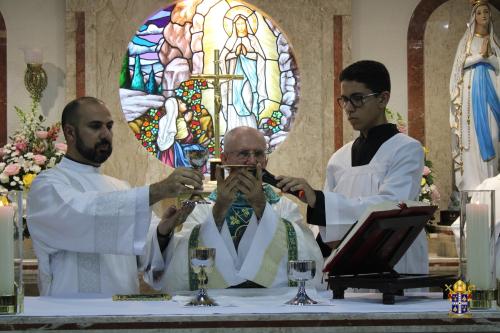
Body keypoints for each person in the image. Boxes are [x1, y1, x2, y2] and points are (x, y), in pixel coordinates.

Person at [27, 97, 204, 297]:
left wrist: (163, 230)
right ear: (70, 132)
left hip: (123, 310)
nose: (105, 134)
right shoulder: (48, 186)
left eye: (109, 126)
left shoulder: (120, 188)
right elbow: (84, 215)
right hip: (70, 314)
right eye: (95, 126)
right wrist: (156, 191)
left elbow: (143, 254)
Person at [277, 60, 427, 275]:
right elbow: (328, 224)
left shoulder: (406, 149)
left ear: (383, 99)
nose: (348, 108)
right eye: (344, 100)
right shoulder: (339, 158)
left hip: (394, 261)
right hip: (350, 263)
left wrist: (318, 200)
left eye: (357, 99)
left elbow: (391, 207)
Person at [146, 126, 323, 292]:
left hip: (270, 301)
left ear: (266, 160)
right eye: (244, 153)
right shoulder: (204, 209)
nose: (252, 161)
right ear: (225, 160)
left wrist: (261, 206)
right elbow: (182, 260)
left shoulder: (283, 207)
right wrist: (220, 209)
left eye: (259, 154)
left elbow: (305, 252)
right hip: (215, 302)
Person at [450, 0, 500, 192]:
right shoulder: (467, 41)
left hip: (492, 98)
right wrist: (480, 57)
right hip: (471, 101)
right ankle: (474, 187)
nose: (483, 15)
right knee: (472, 142)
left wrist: (492, 58)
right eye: (479, 12)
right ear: (474, 17)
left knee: (494, 135)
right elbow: (458, 67)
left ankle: (491, 184)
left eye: (486, 11)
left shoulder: (495, 42)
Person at [220, 13, 267, 133]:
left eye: (243, 23)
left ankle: (251, 129)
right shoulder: (231, 41)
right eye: (238, 24)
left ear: (247, 24)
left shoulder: (252, 40)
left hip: (251, 77)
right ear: (234, 26)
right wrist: (235, 53)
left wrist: (247, 54)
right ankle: (233, 130)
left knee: (249, 100)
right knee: (234, 101)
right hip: (235, 78)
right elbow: (222, 58)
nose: (240, 26)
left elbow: (261, 57)